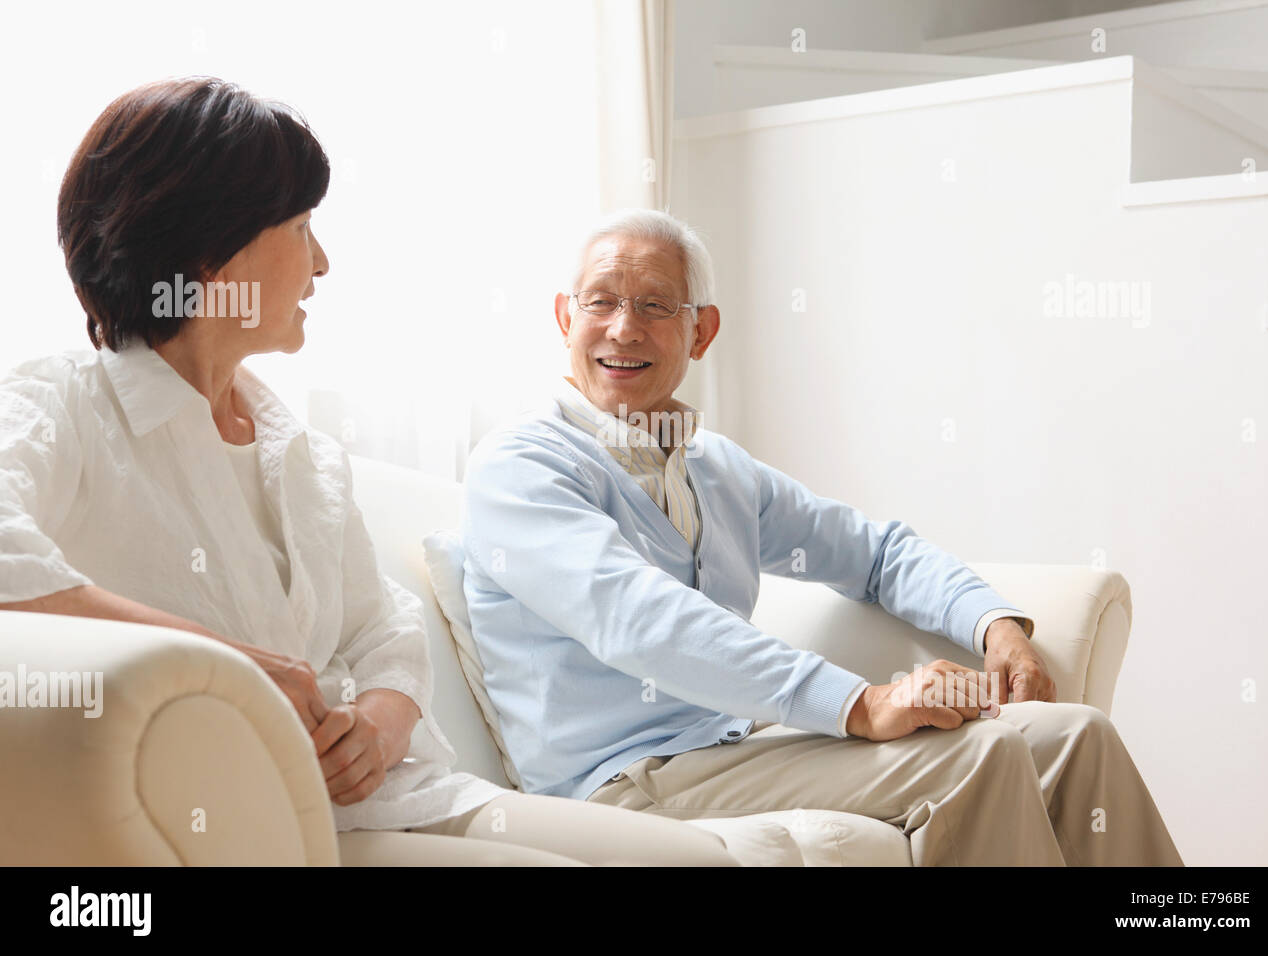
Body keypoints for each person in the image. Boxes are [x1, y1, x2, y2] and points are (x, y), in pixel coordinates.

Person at [0, 79, 736, 867]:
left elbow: (384, 626)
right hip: (255, 825)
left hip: (400, 797)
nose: (321, 261)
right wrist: (225, 665)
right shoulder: (64, 405)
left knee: (702, 862)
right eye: (301, 226)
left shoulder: (303, 452)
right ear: (211, 250)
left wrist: (383, 722)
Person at [459, 207, 1185, 866]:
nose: (623, 328)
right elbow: (636, 618)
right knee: (984, 751)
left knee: (1076, 736)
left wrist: (994, 623)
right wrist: (861, 703)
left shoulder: (716, 469)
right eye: (601, 302)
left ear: (701, 331)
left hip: (732, 751)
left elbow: (874, 553)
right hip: (623, 782)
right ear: (564, 316)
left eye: (654, 306)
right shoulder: (521, 465)